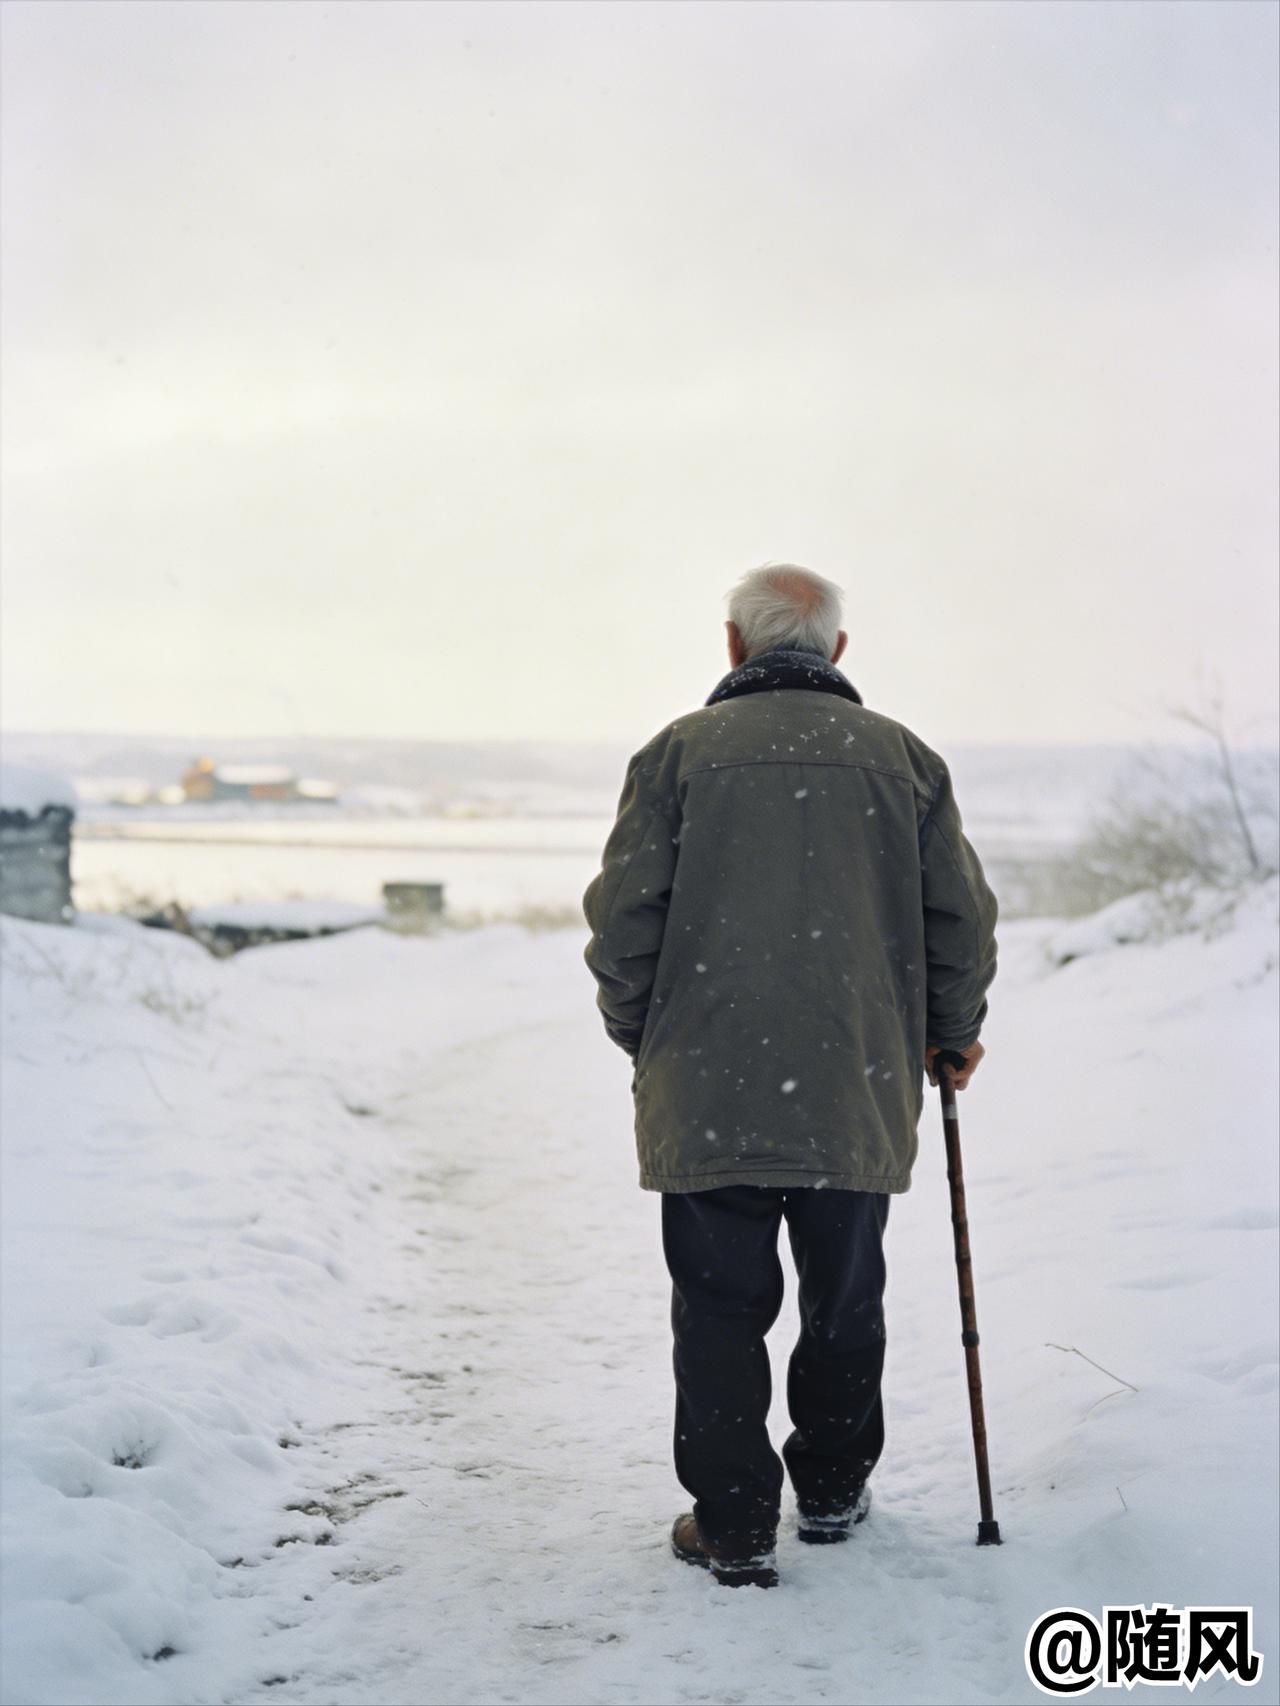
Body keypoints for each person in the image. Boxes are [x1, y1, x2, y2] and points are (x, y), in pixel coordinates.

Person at [581, 563, 998, 1589]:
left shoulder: (677, 753)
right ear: (837, 653)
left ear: (732, 645)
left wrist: (644, 1031)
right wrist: (951, 1030)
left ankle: (731, 1522)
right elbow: (960, 920)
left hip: (708, 1076)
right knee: (844, 1295)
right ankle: (828, 1486)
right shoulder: (903, 760)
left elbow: (622, 920)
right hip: (855, 1075)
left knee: (718, 1305)